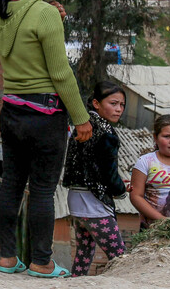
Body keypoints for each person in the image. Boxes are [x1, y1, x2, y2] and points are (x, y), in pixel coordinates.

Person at [0, 0, 92, 278]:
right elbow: (60, 73)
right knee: (44, 191)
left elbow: (26, 43)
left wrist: (54, 16)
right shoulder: (45, 13)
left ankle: (6, 258)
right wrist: (82, 118)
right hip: (45, 116)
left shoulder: (3, 10)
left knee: (11, 185)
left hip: (11, 112)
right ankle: (41, 261)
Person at [62, 81, 128, 276]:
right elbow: (108, 173)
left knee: (84, 254)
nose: (118, 109)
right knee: (121, 257)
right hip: (94, 205)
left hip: (76, 201)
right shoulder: (106, 134)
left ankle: (76, 283)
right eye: (113, 103)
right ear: (96, 103)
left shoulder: (83, 126)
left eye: (122, 105)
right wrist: (121, 190)